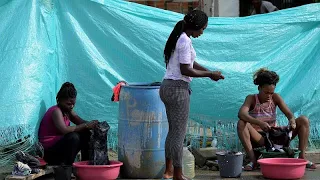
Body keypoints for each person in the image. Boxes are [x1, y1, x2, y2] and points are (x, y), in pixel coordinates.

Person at [160, 10, 224, 180]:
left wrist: (209, 71)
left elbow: (190, 62)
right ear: (195, 27)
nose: (202, 33)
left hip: (167, 87)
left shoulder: (180, 37)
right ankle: (178, 175)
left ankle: (168, 171)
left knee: (173, 131)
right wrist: (210, 75)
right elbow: (186, 69)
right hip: (177, 90)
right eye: (203, 29)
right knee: (179, 134)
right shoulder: (184, 40)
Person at [237, 68, 316, 170]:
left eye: (271, 93)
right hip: (260, 138)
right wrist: (259, 123)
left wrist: (292, 121)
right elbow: (241, 114)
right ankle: (253, 160)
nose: (269, 96)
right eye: (266, 93)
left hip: (276, 136)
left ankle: (302, 158)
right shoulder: (251, 99)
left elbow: (289, 114)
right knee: (241, 123)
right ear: (259, 88)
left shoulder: (276, 97)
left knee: (304, 120)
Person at [38, 82, 99, 165]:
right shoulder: (56, 111)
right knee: (73, 137)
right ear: (60, 99)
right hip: (50, 153)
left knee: (86, 132)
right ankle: (67, 167)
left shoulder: (68, 111)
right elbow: (64, 129)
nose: (71, 106)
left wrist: (94, 124)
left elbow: (80, 122)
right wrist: (86, 125)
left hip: (60, 149)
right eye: (69, 104)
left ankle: (86, 164)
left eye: (73, 104)